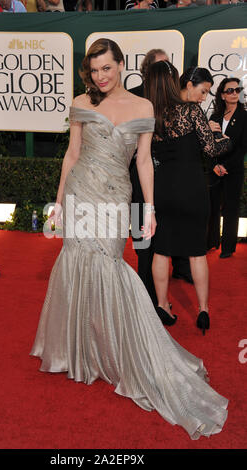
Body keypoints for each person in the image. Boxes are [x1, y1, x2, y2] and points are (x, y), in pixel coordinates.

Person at [31, 38, 228, 439]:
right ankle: (80, 352)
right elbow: (72, 154)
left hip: (116, 197)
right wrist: (59, 201)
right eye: (95, 69)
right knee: (76, 264)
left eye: (108, 67)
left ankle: (125, 350)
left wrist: (150, 208)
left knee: (109, 267)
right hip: (82, 192)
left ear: (121, 65)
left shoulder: (143, 108)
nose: (101, 76)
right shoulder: (81, 103)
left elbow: (142, 161)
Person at [146, 61, 229, 333]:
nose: (204, 97)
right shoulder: (192, 112)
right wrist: (225, 138)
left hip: (163, 190)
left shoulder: (156, 114)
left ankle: (161, 305)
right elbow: (210, 150)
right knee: (196, 253)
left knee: (161, 250)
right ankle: (203, 310)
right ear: (188, 84)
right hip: (192, 189)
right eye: (203, 91)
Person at [129, 50, 193, 312]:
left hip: (165, 182)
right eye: (160, 68)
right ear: (148, 71)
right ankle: (145, 297)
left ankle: (160, 295)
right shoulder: (133, 97)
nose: (166, 73)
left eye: (168, 67)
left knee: (164, 238)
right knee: (142, 242)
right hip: (137, 180)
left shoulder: (176, 102)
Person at [207, 77, 247, 258]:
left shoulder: (245, 116)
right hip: (215, 169)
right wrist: (215, 165)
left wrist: (225, 165)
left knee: (231, 208)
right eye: (230, 90)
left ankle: (228, 247)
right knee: (212, 206)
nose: (234, 93)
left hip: (234, 169)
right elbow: (207, 145)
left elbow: (243, 147)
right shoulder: (214, 117)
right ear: (222, 95)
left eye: (237, 90)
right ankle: (211, 241)